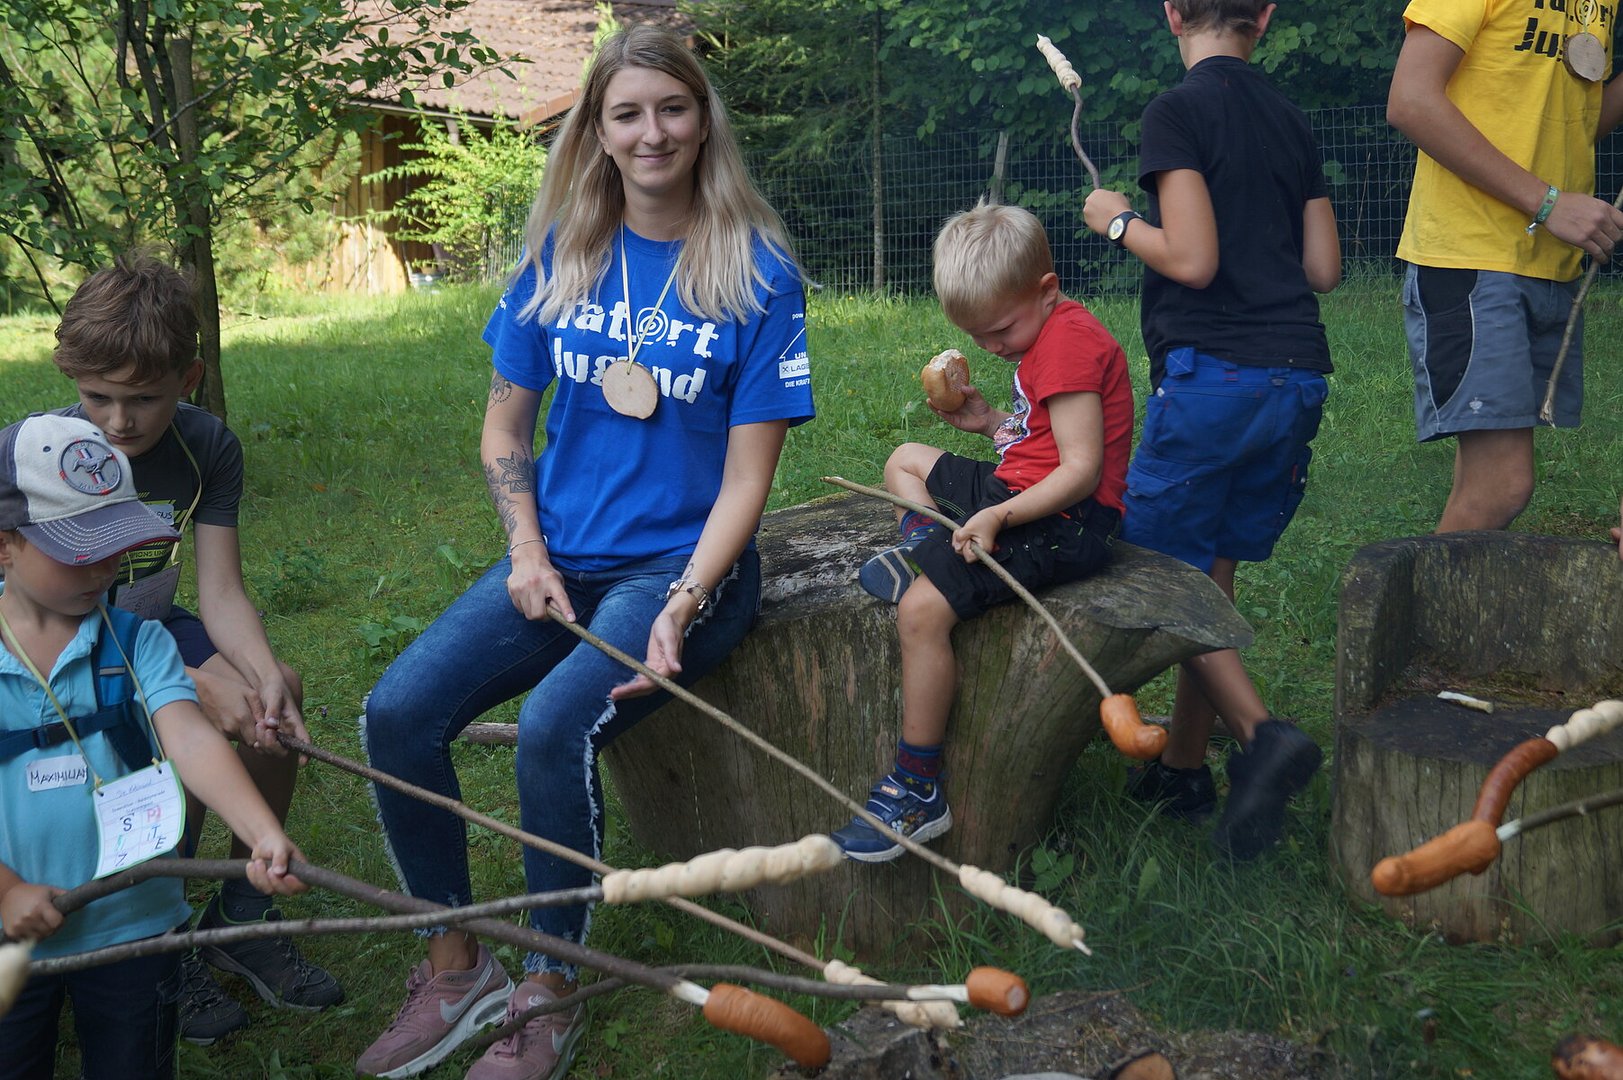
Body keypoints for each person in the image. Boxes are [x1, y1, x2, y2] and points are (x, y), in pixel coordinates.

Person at [356, 24, 814, 1080]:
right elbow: (503, 428)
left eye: (673, 108)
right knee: (397, 712)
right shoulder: (561, 254)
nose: (653, 133)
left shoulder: (757, 273)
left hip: (681, 568)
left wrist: (685, 600)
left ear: (703, 121)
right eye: (627, 113)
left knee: (554, 725)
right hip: (557, 552)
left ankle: (550, 985)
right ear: (596, 132)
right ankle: (454, 960)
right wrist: (525, 550)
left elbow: (748, 480)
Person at [49, 252, 341, 1042]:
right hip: (52, 645)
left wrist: (257, 672)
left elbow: (221, 593)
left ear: (189, 378)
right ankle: (164, 933)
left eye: (143, 399)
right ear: (68, 375)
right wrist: (181, 682)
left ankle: (241, 916)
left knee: (276, 690)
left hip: (147, 623)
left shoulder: (206, 445)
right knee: (177, 715)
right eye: (98, 397)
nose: (118, 422)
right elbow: (46, 619)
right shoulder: (42, 459)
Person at [1081, 0, 1340, 861]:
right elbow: (1323, 269)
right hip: (1295, 378)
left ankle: (1263, 737)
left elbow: (1191, 261)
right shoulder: (1289, 117)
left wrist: (1117, 220)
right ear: (1264, 14)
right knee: (1209, 576)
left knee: (1155, 570)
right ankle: (1184, 769)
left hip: (1213, 382)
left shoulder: (1177, 110)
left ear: (1170, 13)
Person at [0, 412, 308, 1080]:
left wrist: (260, 832)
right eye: (76, 549)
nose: (103, 568)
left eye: (114, 545)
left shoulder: (139, 642)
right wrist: (6, 891)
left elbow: (190, 738)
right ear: (5, 546)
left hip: (133, 924)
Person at [832, 200, 1132, 862]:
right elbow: (1040, 439)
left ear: (1047, 289)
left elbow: (1081, 470)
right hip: (1020, 489)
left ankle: (918, 787)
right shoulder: (1045, 334)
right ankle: (923, 545)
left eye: (999, 329)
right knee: (904, 460)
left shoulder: (1069, 345)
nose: (991, 346)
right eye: (976, 335)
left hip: (1063, 521)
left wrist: (996, 515)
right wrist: (992, 423)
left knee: (919, 613)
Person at [1387, 0, 1623, 531]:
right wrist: (1548, 203)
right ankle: (1413, 590)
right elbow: (1410, 100)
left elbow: (1575, 124)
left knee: (1482, 483)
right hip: (1470, 252)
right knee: (1502, 486)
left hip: (1550, 264)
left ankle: (1438, 586)